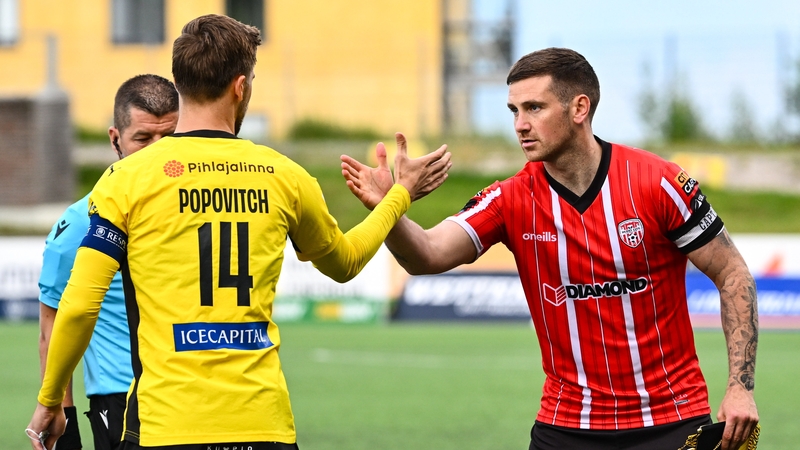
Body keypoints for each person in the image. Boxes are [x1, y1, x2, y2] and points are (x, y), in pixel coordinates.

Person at [27, 13, 451, 450]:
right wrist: (398, 195)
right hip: (263, 427)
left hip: (165, 427)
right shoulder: (285, 176)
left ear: (181, 82)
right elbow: (345, 263)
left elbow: (78, 307)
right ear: (240, 86)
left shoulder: (126, 179)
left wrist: (50, 401)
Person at [340, 47, 759, 450]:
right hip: (566, 426)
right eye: (514, 111)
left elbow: (732, 273)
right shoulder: (509, 199)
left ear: (579, 109)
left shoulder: (658, 182)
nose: (520, 124)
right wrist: (389, 209)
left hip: (671, 422)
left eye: (534, 108)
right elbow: (426, 255)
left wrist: (740, 388)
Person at [38, 74, 179, 450]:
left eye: (169, 137)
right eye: (144, 139)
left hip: (190, 394)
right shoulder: (82, 221)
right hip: (121, 398)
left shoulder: (197, 210)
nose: (157, 151)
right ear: (115, 139)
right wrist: (60, 415)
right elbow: (53, 320)